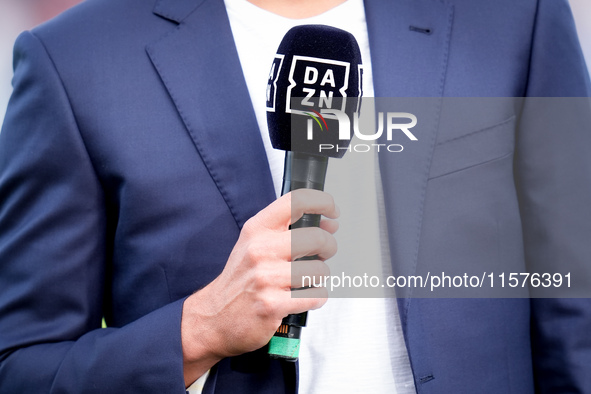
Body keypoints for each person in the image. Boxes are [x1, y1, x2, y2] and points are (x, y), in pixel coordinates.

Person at [0, 0, 590, 393]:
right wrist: (197, 330)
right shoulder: (74, 60)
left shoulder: (516, 16)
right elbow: (20, 367)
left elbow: (576, 306)